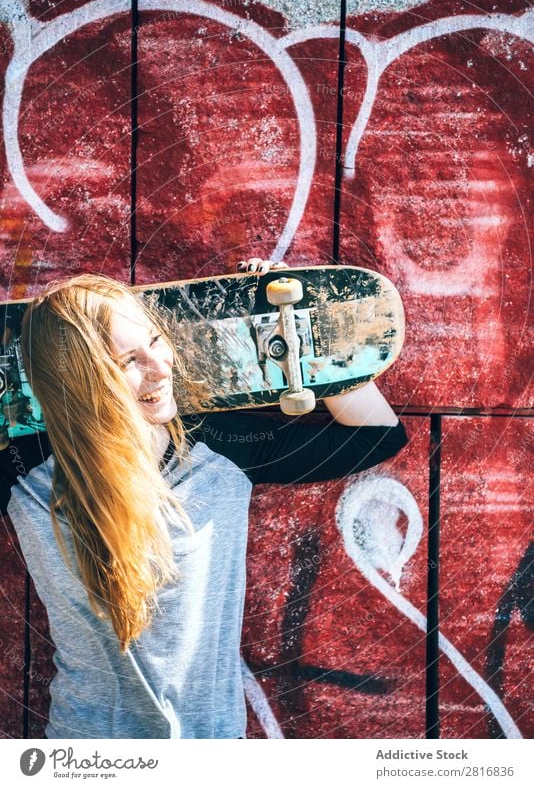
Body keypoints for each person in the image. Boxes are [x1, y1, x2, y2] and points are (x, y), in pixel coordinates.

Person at [4, 260, 408, 739]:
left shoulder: (218, 446)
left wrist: (302, 330)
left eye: (155, 342)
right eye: (128, 362)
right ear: (81, 381)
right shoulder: (25, 471)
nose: (159, 369)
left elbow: (375, 436)